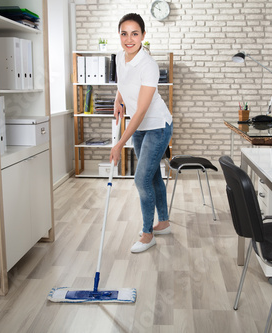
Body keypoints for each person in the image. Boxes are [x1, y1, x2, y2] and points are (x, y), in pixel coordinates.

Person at [109, 13, 173, 253]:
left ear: (143, 36)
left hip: (156, 125)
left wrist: (118, 145)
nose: (129, 39)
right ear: (119, 35)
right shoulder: (119, 57)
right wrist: (118, 99)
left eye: (134, 33)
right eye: (124, 33)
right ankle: (163, 223)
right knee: (153, 176)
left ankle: (148, 234)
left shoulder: (149, 65)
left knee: (141, 179)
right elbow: (123, 83)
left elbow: (140, 112)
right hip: (141, 128)